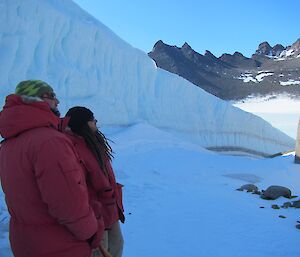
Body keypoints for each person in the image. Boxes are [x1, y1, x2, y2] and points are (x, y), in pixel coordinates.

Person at [0, 80, 104, 257]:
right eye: (52, 96)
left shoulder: (9, 145)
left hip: (25, 242)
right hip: (60, 245)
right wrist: (90, 232)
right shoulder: (49, 142)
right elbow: (67, 202)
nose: (58, 102)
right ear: (36, 99)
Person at [64, 106, 125, 257]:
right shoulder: (71, 147)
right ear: (83, 123)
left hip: (109, 208)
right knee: (100, 252)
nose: (96, 122)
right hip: (94, 212)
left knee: (116, 245)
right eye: (93, 120)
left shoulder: (92, 142)